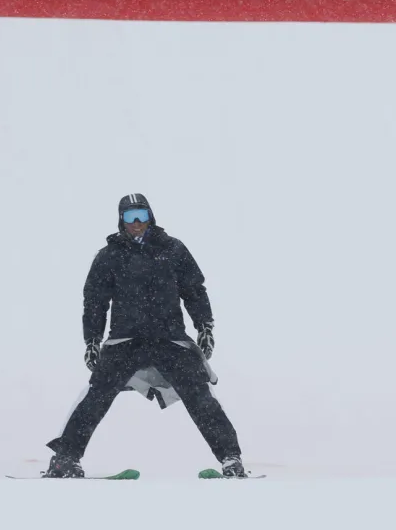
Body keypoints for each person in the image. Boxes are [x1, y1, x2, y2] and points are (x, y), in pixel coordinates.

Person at [44, 193, 247, 478]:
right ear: (121, 220)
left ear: (151, 216)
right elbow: (95, 302)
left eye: (141, 214)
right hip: (125, 340)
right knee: (96, 395)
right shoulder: (110, 256)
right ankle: (65, 459)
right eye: (129, 216)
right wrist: (91, 340)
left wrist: (205, 326)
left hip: (169, 339)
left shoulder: (173, 249)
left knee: (201, 396)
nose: (136, 222)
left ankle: (231, 459)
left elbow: (194, 290)